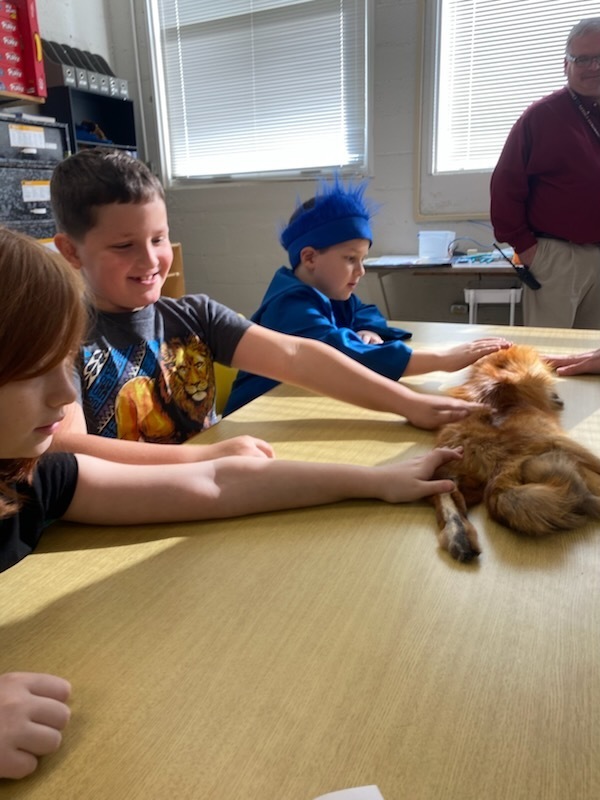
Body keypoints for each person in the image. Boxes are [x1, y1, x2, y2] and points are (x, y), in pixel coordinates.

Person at [0, 226, 470, 777]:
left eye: (65, 363)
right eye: (34, 371)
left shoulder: (35, 478)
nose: (64, 395)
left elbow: (219, 483)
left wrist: (374, 481)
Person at [48, 150, 497, 465]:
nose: (150, 261)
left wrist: (407, 404)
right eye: (124, 245)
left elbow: (298, 356)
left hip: (216, 486)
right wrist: (202, 457)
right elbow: (67, 446)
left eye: (159, 238)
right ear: (70, 251)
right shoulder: (57, 338)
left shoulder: (195, 315)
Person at [225, 178, 510, 414]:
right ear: (310, 257)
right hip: (257, 415)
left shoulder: (331, 292)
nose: (360, 271)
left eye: (362, 259)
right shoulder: (291, 305)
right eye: (351, 258)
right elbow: (343, 357)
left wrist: (367, 329)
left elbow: (364, 311)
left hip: (296, 403)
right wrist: (440, 359)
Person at [490, 17, 600, 329]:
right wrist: (527, 249)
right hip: (557, 256)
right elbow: (505, 187)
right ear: (566, 65)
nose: (594, 67)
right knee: (551, 350)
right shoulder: (541, 117)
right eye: (583, 59)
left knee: (594, 352)